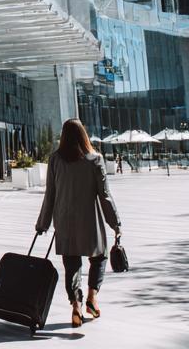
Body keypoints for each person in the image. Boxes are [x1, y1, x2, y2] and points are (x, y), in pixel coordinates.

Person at [36, 119, 121, 329]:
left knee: (71, 264)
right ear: (84, 134)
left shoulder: (55, 159)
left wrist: (43, 223)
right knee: (100, 257)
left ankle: (76, 305)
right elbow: (105, 196)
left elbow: (50, 195)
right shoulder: (95, 159)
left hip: (64, 221)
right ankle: (92, 297)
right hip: (90, 220)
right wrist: (115, 223)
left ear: (63, 136)